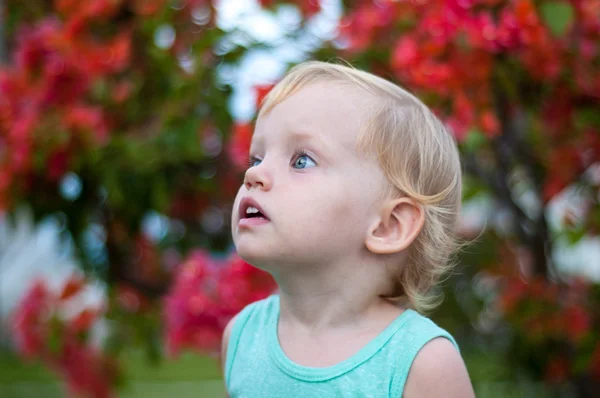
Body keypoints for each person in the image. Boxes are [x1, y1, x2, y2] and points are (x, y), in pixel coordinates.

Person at [222, 60, 475, 397]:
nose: (254, 175)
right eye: (257, 158)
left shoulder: (421, 362)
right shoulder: (242, 336)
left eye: (301, 160)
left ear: (388, 226)